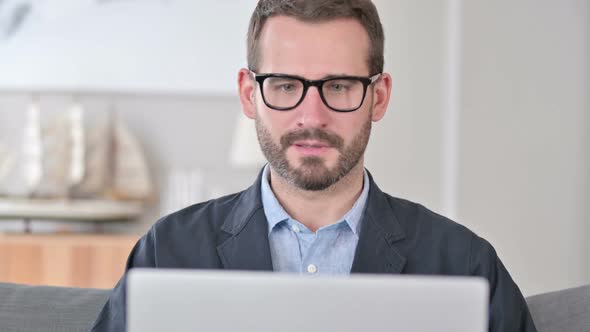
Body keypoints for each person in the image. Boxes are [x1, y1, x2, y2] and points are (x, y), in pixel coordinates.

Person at [91, 0, 537, 331]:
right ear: (250, 94)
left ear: (378, 97)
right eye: (285, 86)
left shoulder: (465, 265)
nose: (312, 116)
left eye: (339, 86)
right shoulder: (166, 254)